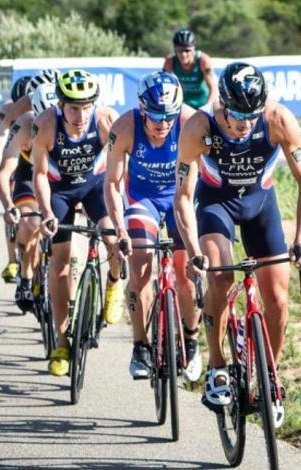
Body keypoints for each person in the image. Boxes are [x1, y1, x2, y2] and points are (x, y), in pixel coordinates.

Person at [175, 62, 301, 427]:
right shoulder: (199, 127)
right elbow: (183, 196)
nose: (244, 123)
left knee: (279, 299)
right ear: (222, 103)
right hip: (215, 204)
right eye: (237, 114)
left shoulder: (277, 119)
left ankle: (270, 375)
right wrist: (193, 250)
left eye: (251, 115)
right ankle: (217, 365)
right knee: (220, 279)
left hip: (260, 205)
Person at [104, 71, 201, 382]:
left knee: (186, 273)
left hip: (180, 198)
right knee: (142, 265)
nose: (163, 124)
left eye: (169, 116)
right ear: (142, 109)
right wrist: (120, 230)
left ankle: (191, 338)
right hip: (142, 199)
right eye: (156, 116)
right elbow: (112, 183)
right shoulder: (124, 127)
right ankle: (141, 346)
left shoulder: (189, 122)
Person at [32, 69, 123, 376]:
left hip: (95, 187)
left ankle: (112, 286)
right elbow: (40, 176)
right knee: (59, 261)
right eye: (73, 107)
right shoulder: (45, 124)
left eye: (86, 106)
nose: (81, 114)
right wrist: (46, 212)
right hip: (60, 192)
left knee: (115, 243)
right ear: (60, 104)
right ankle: (60, 343)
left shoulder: (105, 120)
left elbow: (121, 164)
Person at [0, 83, 58, 312]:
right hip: (29, 174)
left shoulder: (71, 122)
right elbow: (3, 171)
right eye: (42, 120)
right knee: (30, 223)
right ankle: (25, 274)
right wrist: (8, 205)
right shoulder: (23, 125)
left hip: (58, 178)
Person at [162, 29, 217, 110]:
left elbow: (213, 88)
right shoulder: (170, 61)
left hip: (203, 103)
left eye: (187, 50)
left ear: (194, 48)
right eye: (179, 50)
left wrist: (206, 109)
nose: (184, 54)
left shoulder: (203, 60)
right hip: (183, 105)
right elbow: (163, 87)